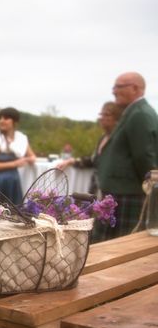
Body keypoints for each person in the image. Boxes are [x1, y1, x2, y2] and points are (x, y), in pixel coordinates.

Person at [95, 72, 158, 241]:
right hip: (121, 193)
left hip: (128, 194)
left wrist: (148, 188)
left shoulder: (140, 114)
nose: (114, 91)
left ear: (135, 88)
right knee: (107, 245)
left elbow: (144, 156)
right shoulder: (133, 112)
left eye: (118, 87)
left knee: (117, 245)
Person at [56, 101, 124, 195]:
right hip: (97, 189)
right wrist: (71, 161)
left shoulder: (120, 139)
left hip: (114, 192)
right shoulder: (103, 138)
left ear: (117, 119)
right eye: (101, 115)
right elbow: (94, 160)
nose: (102, 118)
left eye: (106, 115)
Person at [0, 107, 36, 206]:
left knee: (15, 214)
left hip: (14, 181)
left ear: (15, 122)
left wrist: (26, 159)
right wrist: (15, 163)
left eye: (6, 118)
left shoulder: (21, 139)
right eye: (0, 118)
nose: (1, 121)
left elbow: (32, 156)